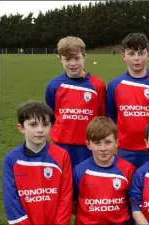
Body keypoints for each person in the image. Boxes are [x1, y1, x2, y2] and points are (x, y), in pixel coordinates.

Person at [106, 33, 149, 169]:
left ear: (148, 55)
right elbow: (111, 117)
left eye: (141, 53)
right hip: (124, 149)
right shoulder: (115, 85)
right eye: (131, 54)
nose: (136, 58)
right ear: (123, 56)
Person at [3, 101, 72, 224]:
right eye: (33, 125)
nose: (40, 130)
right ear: (21, 128)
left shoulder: (62, 155)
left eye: (45, 124)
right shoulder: (11, 159)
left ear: (51, 126)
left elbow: (66, 196)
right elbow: (11, 200)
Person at [45, 36, 106, 168]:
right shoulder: (53, 85)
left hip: (87, 147)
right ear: (59, 59)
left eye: (77, 58)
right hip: (61, 145)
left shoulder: (97, 85)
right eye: (67, 59)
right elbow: (51, 115)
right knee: (63, 185)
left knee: (85, 185)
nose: (72, 64)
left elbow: (101, 117)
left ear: (84, 57)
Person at [73, 116, 136, 225]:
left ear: (116, 142)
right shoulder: (79, 171)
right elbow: (72, 203)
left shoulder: (128, 170)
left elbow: (134, 205)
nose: (103, 148)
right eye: (97, 143)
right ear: (88, 144)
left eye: (108, 142)